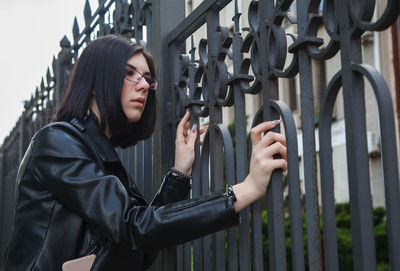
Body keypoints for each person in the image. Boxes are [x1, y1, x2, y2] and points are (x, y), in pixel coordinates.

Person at [2, 35, 287, 271]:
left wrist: (178, 175)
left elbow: (139, 246)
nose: (143, 85)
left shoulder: (100, 154)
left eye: (147, 78)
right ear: (92, 82)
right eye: (129, 73)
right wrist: (246, 189)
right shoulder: (57, 143)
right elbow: (135, 228)